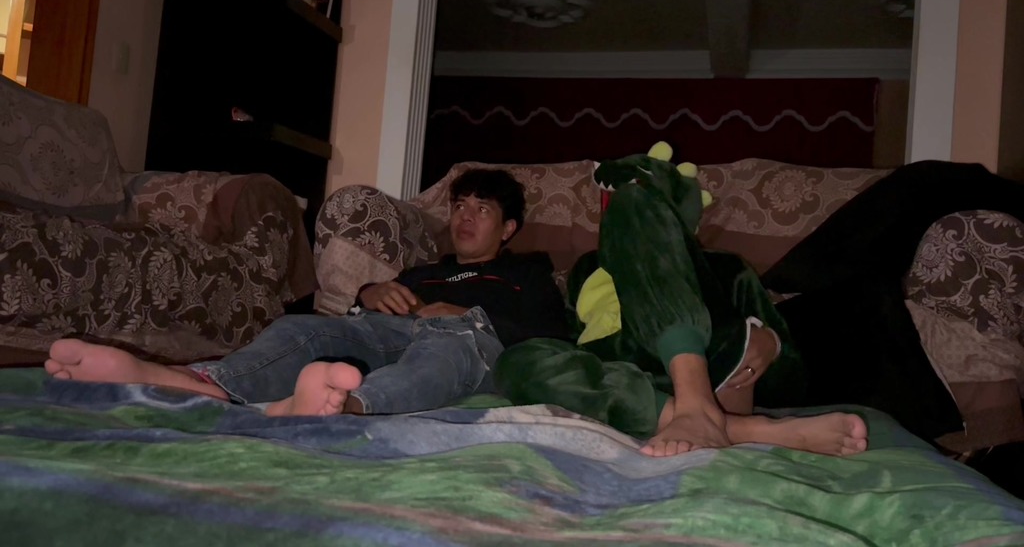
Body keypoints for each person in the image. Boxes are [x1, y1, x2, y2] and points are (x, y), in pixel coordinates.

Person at [44, 168, 571, 417]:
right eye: (459, 206)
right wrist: (371, 291)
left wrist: (465, 312)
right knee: (305, 327)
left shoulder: (527, 273)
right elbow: (363, 313)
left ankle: (345, 407)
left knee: (443, 346)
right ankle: (201, 382)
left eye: (482, 209)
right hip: (389, 330)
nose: (465, 217)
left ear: (508, 229)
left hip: (466, 338)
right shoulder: (423, 272)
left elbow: (553, 337)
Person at [495, 152, 870, 458]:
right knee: (515, 363)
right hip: (628, 386)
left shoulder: (723, 266)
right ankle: (734, 427)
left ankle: (694, 400)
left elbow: (791, 371)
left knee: (633, 200)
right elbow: (568, 343)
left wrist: (769, 342)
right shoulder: (585, 269)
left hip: (705, 367)